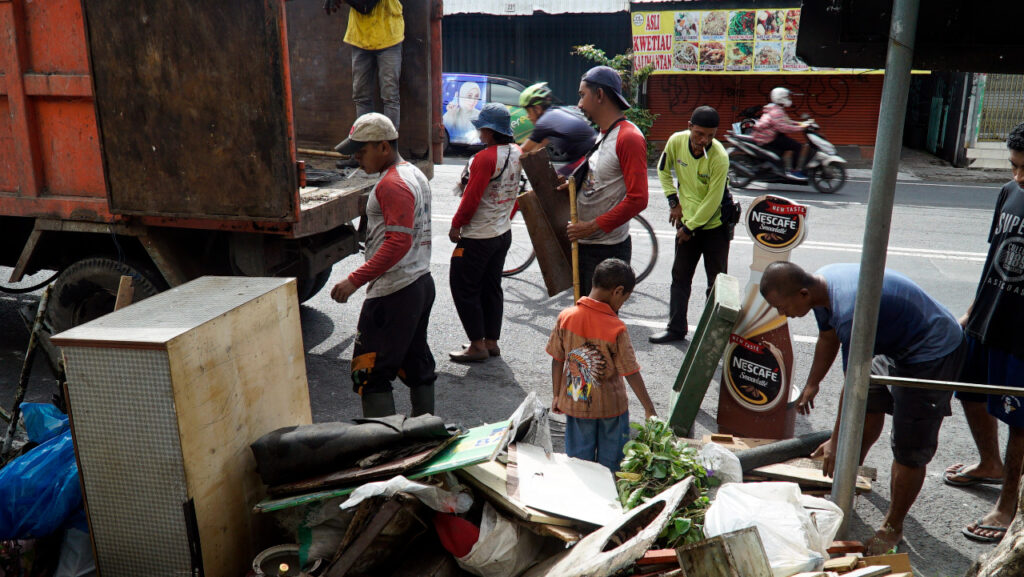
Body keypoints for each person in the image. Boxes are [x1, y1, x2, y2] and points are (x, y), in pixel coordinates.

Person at [759, 261, 967, 555]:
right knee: (869, 405)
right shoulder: (822, 287)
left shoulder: (850, 312)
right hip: (894, 346)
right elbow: (827, 337)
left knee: (910, 450)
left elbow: (853, 383)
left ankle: (893, 527)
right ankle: (848, 480)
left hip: (931, 352)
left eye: (781, 307)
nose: (782, 314)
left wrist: (835, 440)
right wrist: (812, 383)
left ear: (802, 293)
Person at [330, 113, 435, 418]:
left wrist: (354, 280)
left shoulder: (392, 184)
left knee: (370, 373)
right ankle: (425, 435)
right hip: (419, 282)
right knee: (417, 363)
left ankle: (383, 449)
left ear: (384, 147)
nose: (357, 159)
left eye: (362, 151)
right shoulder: (413, 173)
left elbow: (397, 243)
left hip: (395, 290)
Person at [951, 122, 1024, 544]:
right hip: (988, 315)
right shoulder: (1008, 192)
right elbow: (993, 254)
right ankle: (988, 463)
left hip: (1021, 335)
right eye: (1014, 166)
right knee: (970, 390)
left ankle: (1008, 503)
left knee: (1019, 417)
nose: (1019, 176)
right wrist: (972, 311)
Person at [546, 259, 657, 472]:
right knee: (612, 465)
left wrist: (557, 395)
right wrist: (648, 408)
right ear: (618, 291)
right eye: (625, 299)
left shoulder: (566, 317)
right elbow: (631, 371)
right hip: (611, 407)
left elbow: (557, 359)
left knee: (580, 465)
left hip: (577, 398)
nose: (622, 304)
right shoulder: (615, 327)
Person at [448, 103, 522, 363]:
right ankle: (491, 342)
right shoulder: (516, 152)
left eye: (481, 129)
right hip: (502, 233)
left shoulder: (485, 158)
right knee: (492, 287)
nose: (479, 133)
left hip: (479, 236)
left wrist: (456, 225)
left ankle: (477, 345)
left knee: (462, 285)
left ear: (489, 131)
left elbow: (471, 199)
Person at [649, 106, 730, 344]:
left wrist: (689, 227)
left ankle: (711, 336)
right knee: (680, 278)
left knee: (715, 284)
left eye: (711, 136)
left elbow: (713, 201)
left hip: (715, 226)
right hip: (687, 224)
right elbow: (662, 170)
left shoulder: (719, 158)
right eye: (699, 134)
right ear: (689, 127)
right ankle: (675, 329)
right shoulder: (676, 141)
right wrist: (673, 201)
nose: (704, 140)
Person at [567, 66, 649, 296]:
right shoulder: (605, 133)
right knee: (584, 322)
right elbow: (600, 178)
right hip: (587, 246)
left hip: (606, 252)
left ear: (600, 95)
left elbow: (638, 199)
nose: (580, 104)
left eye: (583, 95)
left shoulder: (629, 137)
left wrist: (590, 227)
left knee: (598, 327)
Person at [326, 0, 404, 130]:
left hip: (389, 35)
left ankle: (390, 145)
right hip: (361, 36)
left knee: (390, 96)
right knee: (362, 96)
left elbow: (366, 6)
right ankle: (364, 145)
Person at [519, 82, 597, 176]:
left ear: (537, 108)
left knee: (555, 185)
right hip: (592, 153)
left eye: (528, 111)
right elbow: (538, 148)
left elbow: (524, 149)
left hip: (588, 157)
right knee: (558, 179)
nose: (528, 116)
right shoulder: (553, 114)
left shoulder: (543, 123)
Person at [750, 87, 809, 178]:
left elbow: (786, 121)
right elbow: (782, 127)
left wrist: (800, 123)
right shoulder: (776, 111)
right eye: (787, 97)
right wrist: (800, 128)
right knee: (797, 146)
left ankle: (781, 167)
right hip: (768, 137)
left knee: (787, 143)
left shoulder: (776, 108)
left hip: (772, 135)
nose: (789, 99)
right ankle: (794, 171)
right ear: (781, 98)